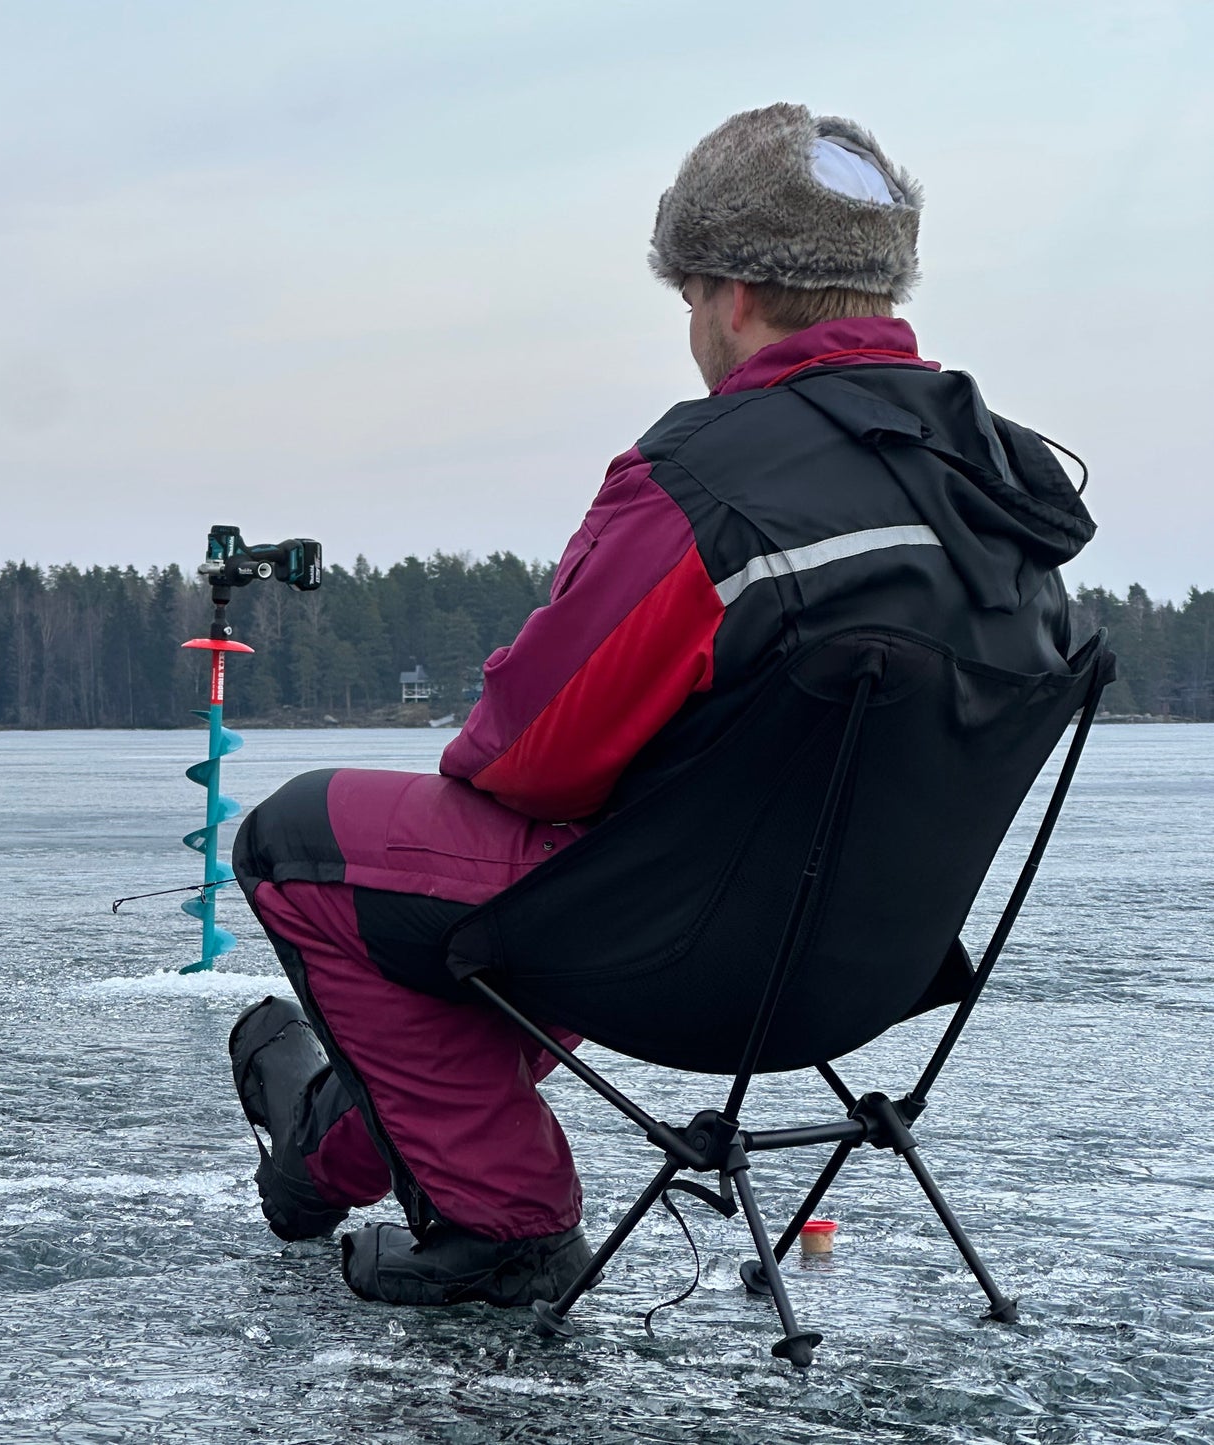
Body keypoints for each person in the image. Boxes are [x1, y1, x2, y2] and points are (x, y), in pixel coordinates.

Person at [227, 102, 1095, 1307]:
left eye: (686, 298)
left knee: (301, 837)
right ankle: (325, 1150)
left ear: (731, 292)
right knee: (588, 872)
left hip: (687, 961)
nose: (692, 329)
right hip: (871, 971)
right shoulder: (1007, 493)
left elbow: (523, 755)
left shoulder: (713, 478)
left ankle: (496, 1220)